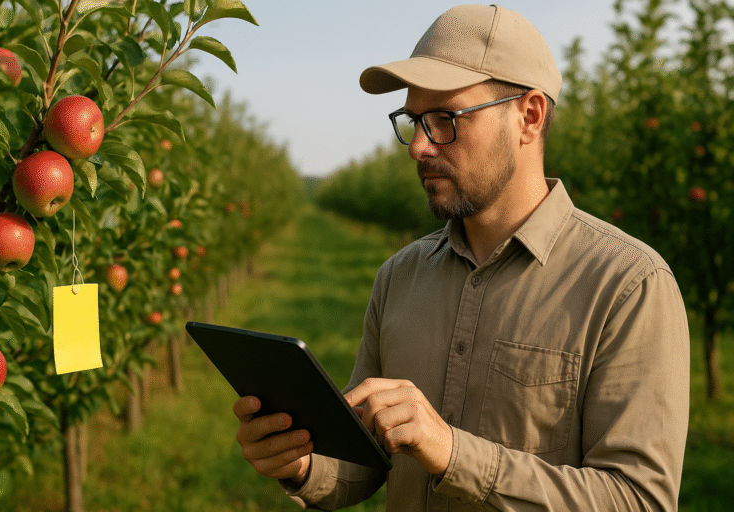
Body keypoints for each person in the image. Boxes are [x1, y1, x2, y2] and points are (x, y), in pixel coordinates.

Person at [233, 4, 690, 511]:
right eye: (414, 121)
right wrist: (305, 464)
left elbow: (639, 499)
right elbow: (366, 462)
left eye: (445, 120)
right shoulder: (399, 277)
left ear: (529, 117)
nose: (418, 147)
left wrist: (451, 452)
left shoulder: (626, 286)